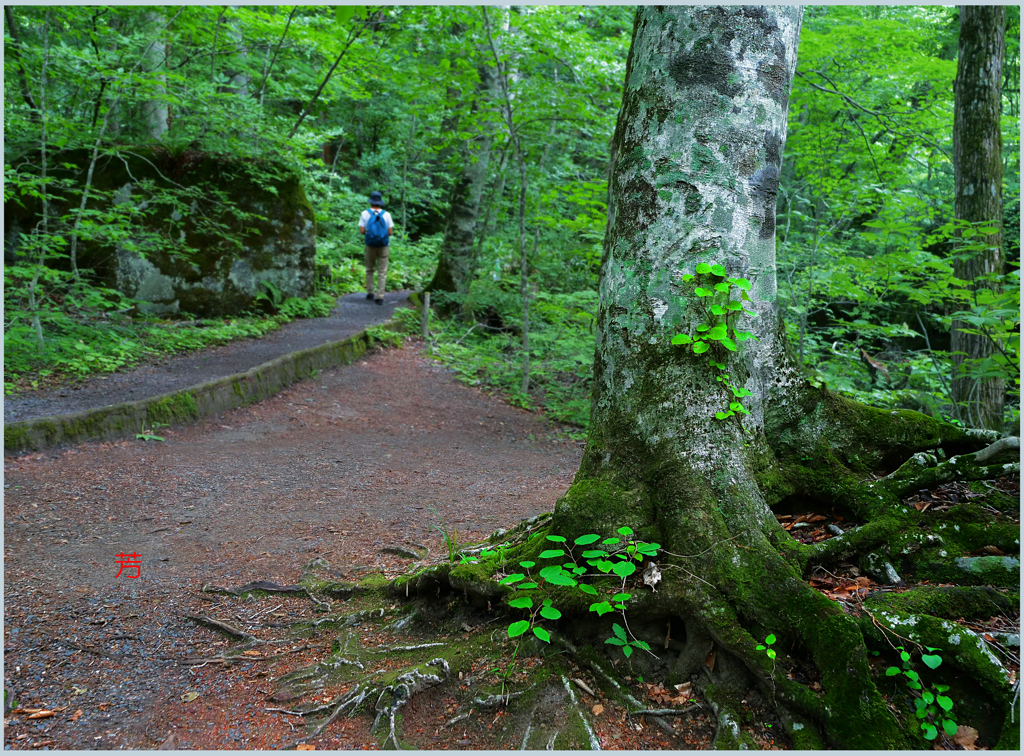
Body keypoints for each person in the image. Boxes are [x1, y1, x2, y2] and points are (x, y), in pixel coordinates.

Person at [359, 191, 394, 305]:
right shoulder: (387, 214)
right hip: (384, 246)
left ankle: (370, 293)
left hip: (370, 245)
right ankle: (380, 297)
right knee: (382, 272)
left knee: (369, 269)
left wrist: (371, 235)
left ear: (371, 202)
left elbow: (362, 231)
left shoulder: (364, 213)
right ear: (380, 202)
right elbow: (390, 232)